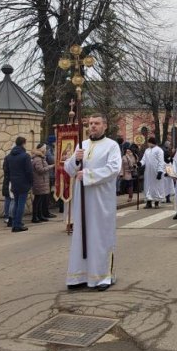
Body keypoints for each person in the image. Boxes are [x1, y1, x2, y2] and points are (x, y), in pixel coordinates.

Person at [64, 114, 122, 291]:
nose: (93, 126)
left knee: (100, 236)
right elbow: (68, 168)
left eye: (97, 123)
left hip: (101, 199)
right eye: (90, 124)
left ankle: (103, 276)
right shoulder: (82, 145)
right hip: (82, 198)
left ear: (104, 125)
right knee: (82, 235)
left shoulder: (112, 146)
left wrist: (88, 175)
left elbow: (114, 169)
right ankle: (80, 275)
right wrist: (76, 160)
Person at [3, 136, 34, 232]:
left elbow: (6, 170)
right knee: (21, 203)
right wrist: (31, 182)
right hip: (23, 182)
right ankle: (18, 224)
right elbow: (29, 171)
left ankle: (14, 223)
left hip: (13, 182)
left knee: (16, 202)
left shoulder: (8, 156)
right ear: (23, 143)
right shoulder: (25, 156)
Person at [31, 143, 55, 223]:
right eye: (45, 148)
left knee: (40, 199)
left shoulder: (41, 158)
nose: (46, 150)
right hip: (39, 181)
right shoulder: (38, 159)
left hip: (42, 181)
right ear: (42, 149)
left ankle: (39, 215)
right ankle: (35, 216)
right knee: (38, 200)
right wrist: (51, 166)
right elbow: (40, 170)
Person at [140, 137, 165, 208]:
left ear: (152, 142)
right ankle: (149, 202)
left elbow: (161, 161)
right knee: (147, 186)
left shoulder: (159, 150)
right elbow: (144, 159)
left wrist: (160, 171)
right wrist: (140, 163)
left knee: (156, 186)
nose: (148, 144)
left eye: (149, 142)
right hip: (148, 172)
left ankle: (156, 202)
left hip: (156, 172)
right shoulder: (147, 150)